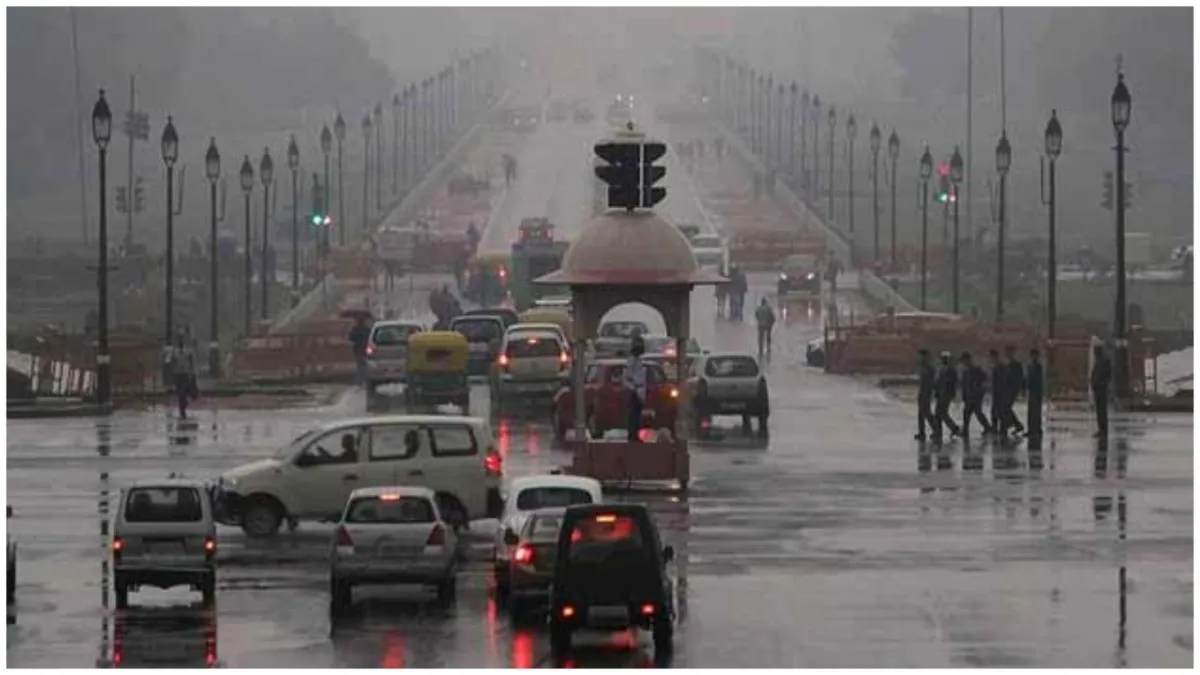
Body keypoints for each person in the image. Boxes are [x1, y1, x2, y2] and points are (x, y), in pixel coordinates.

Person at [621, 335, 648, 442]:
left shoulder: (640, 360)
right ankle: (632, 436)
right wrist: (634, 389)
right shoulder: (631, 361)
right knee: (633, 414)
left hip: (641, 389)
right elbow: (626, 377)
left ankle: (636, 435)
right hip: (635, 390)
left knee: (638, 414)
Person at [959, 352, 992, 439]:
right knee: (970, 413)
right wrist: (964, 395)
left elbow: (984, 377)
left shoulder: (976, 369)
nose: (964, 363)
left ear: (968, 359)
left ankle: (986, 427)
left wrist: (977, 384)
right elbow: (963, 384)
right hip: (969, 396)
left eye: (965, 360)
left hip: (976, 395)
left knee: (973, 412)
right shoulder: (966, 371)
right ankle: (986, 427)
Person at [168, 333, 197, 419]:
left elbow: (191, 363)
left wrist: (192, 372)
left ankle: (183, 406)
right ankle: (182, 409)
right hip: (177, 375)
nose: (180, 345)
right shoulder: (175, 353)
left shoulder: (187, 353)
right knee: (180, 394)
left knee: (182, 392)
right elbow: (171, 363)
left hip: (184, 374)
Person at [934, 351, 961, 440]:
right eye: (943, 359)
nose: (944, 360)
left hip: (946, 394)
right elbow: (938, 382)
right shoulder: (942, 369)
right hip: (941, 394)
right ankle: (939, 431)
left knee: (942, 412)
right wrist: (937, 391)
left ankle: (953, 428)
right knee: (938, 413)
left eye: (945, 359)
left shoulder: (951, 370)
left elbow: (953, 382)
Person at [1003, 345, 1027, 436]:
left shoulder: (1016, 365)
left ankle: (1014, 424)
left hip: (1012, 389)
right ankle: (1014, 424)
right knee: (1006, 408)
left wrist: (1022, 389)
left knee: (1006, 407)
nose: (1007, 354)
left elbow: (1021, 378)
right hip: (1009, 389)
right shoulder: (1009, 365)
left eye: (1009, 352)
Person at [1090, 344, 1112, 438]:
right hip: (1099, 388)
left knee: (1101, 411)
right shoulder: (1101, 360)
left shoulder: (1103, 361)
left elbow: (1105, 374)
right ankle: (1101, 429)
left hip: (1101, 389)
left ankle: (1103, 430)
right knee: (1100, 411)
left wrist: (1098, 382)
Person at [915, 349, 937, 441]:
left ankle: (936, 430)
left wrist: (929, 393)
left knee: (927, 413)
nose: (921, 358)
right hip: (922, 392)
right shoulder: (922, 367)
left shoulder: (930, 368)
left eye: (923, 356)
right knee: (921, 414)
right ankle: (922, 433)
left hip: (927, 393)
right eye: (921, 356)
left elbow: (931, 382)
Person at [1026, 348, 1045, 439]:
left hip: (1036, 392)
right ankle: (1031, 429)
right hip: (1032, 392)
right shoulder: (1030, 366)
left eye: (1034, 355)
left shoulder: (1037, 367)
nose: (1033, 357)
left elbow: (1037, 380)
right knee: (1031, 412)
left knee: (1036, 412)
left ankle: (1037, 429)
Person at [988, 349, 1007, 436]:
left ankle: (1002, 428)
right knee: (994, 411)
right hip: (996, 392)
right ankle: (995, 427)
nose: (991, 359)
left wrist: (1000, 389)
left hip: (1000, 393)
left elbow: (1003, 380)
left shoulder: (1000, 367)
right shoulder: (995, 367)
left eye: (992, 357)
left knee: (1000, 411)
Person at [348, 316, 371, 385]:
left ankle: (361, 380)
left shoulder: (355, 329)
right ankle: (364, 379)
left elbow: (350, 338)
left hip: (359, 348)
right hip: (364, 348)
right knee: (364, 364)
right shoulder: (367, 329)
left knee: (360, 364)